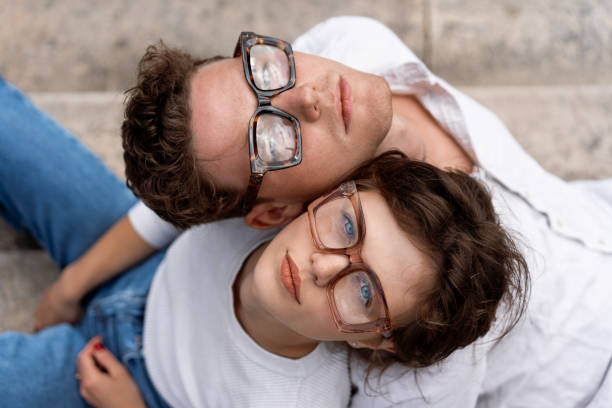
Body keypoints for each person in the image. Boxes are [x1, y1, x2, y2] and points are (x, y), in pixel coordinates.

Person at [8, 16, 612, 407]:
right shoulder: (328, 204)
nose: (308, 92)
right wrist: (73, 283)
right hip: (159, 278)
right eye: (271, 138)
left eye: (271, 71)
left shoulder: (421, 315)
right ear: (287, 209)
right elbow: (200, 174)